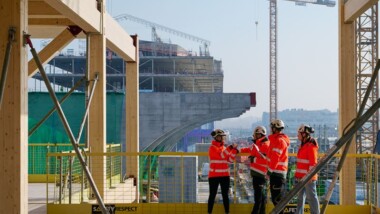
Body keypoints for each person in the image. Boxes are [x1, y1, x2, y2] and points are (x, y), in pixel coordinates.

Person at [240, 126, 270, 214]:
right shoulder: (257, 145)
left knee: (258, 198)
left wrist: (253, 159)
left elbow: (266, 160)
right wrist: (237, 150)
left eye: (255, 135)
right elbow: (249, 150)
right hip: (257, 174)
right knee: (262, 197)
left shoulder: (265, 145)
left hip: (261, 174)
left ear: (259, 134)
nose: (254, 136)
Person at [208, 129, 238, 214]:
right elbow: (221, 155)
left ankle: (227, 212)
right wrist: (230, 148)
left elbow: (230, 160)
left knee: (225, 196)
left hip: (225, 175)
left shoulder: (224, 148)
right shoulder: (212, 148)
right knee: (212, 195)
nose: (223, 138)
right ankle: (209, 212)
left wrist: (234, 151)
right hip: (214, 176)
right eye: (221, 137)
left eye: (223, 137)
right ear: (217, 137)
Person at [295, 124, 320, 214]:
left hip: (308, 178)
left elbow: (313, 163)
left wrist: (310, 177)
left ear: (304, 134)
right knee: (300, 199)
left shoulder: (310, 147)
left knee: (311, 198)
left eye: (299, 133)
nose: (298, 135)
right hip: (302, 177)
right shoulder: (304, 145)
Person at [267, 119, 290, 214]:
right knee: (276, 199)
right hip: (277, 173)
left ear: (274, 129)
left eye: (272, 128)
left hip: (277, 174)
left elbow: (276, 158)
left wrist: (269, 171)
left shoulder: (279, 141)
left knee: (277, 200)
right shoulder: (276, 140)